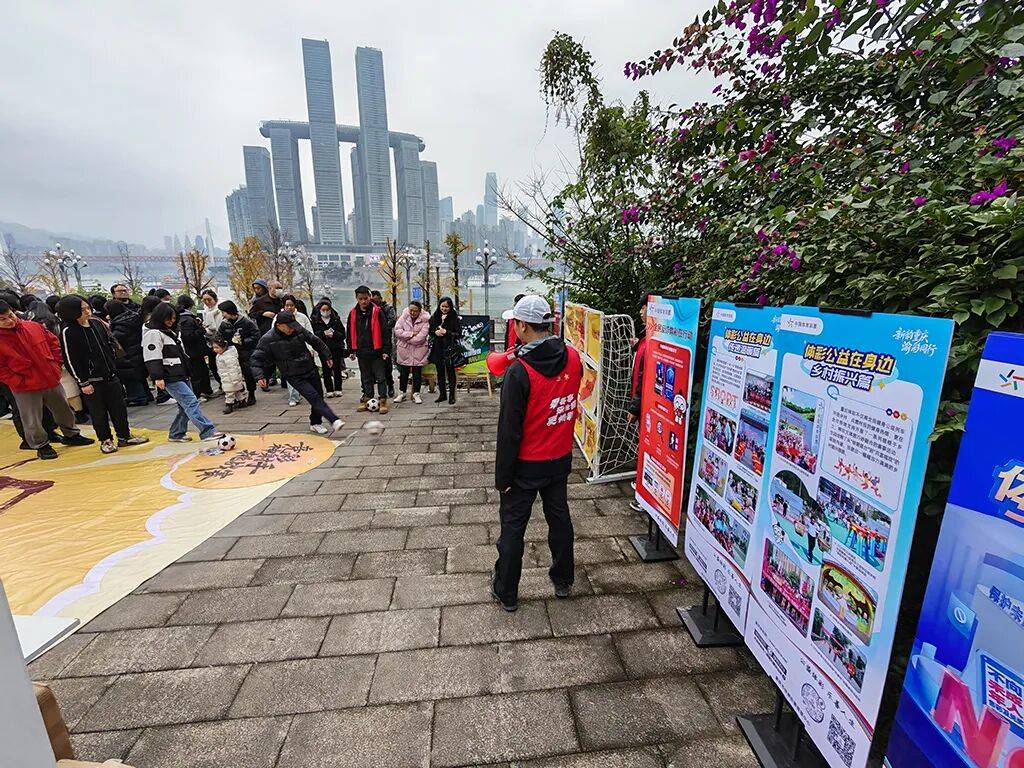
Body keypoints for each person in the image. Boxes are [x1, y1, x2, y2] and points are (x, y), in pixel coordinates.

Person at [491, 295, 582, 612]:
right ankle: (563, 580)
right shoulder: (573, 357)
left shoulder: (519, 372)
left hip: (525, 466)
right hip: (560, 458)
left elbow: (509, 432)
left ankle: (506, 591)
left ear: (522, 326)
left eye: (514, 323)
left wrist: (502, 478)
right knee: (559, 519)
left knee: (513, 529)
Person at [0, 299, 95, 459]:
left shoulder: (33, 326)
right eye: (3, 319)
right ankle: (41, 445)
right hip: (24, 386)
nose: (9, 321)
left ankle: (72, 435)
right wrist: (17, 381)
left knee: (64, 409)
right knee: (32, 418)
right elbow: (2, 370)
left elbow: (53, 343)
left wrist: (56, 365)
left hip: (50, 378)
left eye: (10, 315)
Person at [56, 296, 149, 454]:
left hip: (111, 375)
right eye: (82, 310)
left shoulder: (96, 323)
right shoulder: (68, 331)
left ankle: (124, 436)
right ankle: (105, 440)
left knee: (119, 409)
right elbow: (71, 359)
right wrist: (83, 382)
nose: (87, 312)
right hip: (91, 381)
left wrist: (113, 365)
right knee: (98, 413)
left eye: (87, 308)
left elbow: (109, 343)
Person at [251, 311, 344, 435]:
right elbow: (256, 358)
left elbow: (315, 341)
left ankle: (315, 422)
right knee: (313, 396)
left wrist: (327, 355)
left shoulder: (297, 329)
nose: (291, 329)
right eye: (288, 326)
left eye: (293, 325)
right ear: (279, 325)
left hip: (309, 367)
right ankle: (334, 420)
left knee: (319, 395)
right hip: (293, 374)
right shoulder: (268, 339)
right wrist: (260, 376)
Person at [143, 302, 223, 443]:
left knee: (185, 405)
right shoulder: (153, 333)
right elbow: (152, 356)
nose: (171, 321)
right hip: (169, 375)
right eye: (168, 318)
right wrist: (158, 377)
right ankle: (207, 431)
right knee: (190, 402)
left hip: (180, 373)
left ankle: (176, 433)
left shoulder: (170, 332)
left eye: (174, 318)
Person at [348, 285, 391, 413]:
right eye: (360, 299)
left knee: (380, 377)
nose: (363, 301)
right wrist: (351, 350)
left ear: (370, 297)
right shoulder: (353, 313)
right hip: (361, 351)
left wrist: (386, 350)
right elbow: (349, 332)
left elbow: (385, 332)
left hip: (377, 351)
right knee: (366, 377)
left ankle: (382, 400)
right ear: (356, 298)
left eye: (366, 298)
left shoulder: (377, 312)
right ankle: (368, 397)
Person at [105, 300, 151, 406]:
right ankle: (146, 395)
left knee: (131, 377)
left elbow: (115, 339)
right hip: (138, 351)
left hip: (128, 355)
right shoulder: (132, 317)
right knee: (139, 375)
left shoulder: (121, 323)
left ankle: (137, 398)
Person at [217, 300, 260, 406]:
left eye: (223, 312)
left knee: (248, 374)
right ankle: (240, 396)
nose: (222, 315)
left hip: (245, 352)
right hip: (230, 354)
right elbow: (219, 337)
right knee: (234, 375)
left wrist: (243, 341)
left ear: (230, 311)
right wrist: (223, 345)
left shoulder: (246, 322)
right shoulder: (224, 324)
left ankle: (251, 394)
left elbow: (256, 335)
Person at [281, 294, 319, 407]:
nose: (289, 307)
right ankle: (294, 397)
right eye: (287, 305)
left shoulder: (302, 317)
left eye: (291, 305)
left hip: (303, 349)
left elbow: (310, 334)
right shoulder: (279, 318)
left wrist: (311, 348)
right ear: (284, 306)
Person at [176, 295, 213, 401]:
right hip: (194, 352)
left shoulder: (182, 317)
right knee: (198, 373)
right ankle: (199, 394)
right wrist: (201, 330)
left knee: (201, 371)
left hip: (192, 351)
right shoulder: (187, 319)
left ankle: (205, 391)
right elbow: (189, 336)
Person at [393, 300, 430, 404]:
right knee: (403, 372)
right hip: (404, 350)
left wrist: (406, 338)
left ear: (420, 311)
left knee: (417, 372)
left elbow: (421, 337)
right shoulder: (404, 317)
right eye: (411, 310)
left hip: (419, 350)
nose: (412, 313)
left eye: (415, 311)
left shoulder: (425, 320)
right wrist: (411, 334)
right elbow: (397, 331)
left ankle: (416, 394)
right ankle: (402, 393)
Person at [249, 279, 283, 390]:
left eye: (280, 288)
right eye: (276, 288)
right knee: (268, 359)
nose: (279, 290)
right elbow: (251, 314)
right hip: (267, 332)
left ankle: (284, 381)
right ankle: (266, 380)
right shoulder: (260, 301)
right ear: (269, 288)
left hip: (282, 332)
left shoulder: (282, 300)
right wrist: (263, 313)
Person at [428, 297, 463, 405]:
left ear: (450, 307)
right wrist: (435, 333)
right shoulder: (435, 316)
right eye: (442, 306)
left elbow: (458, 334)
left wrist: (446, 332)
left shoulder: (454, 318)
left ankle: (452, 395)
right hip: (438, 348)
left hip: (449, 349)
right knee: (440, 372)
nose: (444, 309)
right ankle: (442, 394)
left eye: (446, 307)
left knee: (451, 372)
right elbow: (430, 331)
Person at [311, 297, 346, 396]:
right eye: (323, 310)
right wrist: (323, 334)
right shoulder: (315, 321)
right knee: (326, 369)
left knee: (337, 369)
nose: (325, 312)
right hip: (323, 349)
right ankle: (329, 389)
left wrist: (334, 334)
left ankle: (338, 388)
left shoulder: (336, 320)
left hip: (336, 348)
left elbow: (343, 334)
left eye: (327, 310)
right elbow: (313, 335)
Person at [371, 290, 398, 398]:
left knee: (387, 366)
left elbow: (392, 321)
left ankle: (390, 385)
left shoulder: (388, 308)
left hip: (385, 340)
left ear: (380, 298)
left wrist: (381, 328)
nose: (374, 302)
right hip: (372, 341)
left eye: (375, 299)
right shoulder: (370, 309)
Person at [211, 336, 246, 414]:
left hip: (231, 379)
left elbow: (233, 369)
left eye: (217, 347)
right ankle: (242, 401)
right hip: (226, 377)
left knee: (229, 392)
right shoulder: (220, 355)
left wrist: (235, 380)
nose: (215, 350)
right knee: (236, 391)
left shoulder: (228, 357)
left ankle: (229, 404)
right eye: (214, 348)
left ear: (223, 347)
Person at [199, 289, 223, 393]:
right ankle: (222, 384)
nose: (207, 302)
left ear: (215, 299)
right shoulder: (206, 311)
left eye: (209, 299)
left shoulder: (219, 310)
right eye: (204, 300)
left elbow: (216, 327)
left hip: (220, 341)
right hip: (210, 342)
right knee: (213, 366)